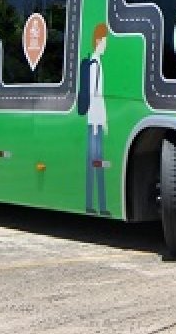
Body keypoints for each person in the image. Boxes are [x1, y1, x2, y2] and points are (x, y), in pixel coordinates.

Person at [78, 22, 110, 214]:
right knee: (96, 164)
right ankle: (96, 206)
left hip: (94, 121)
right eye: (105, 40)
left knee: (95, 165)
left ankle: (95, 205)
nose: (106, 44)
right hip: (95, 122)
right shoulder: (95, 65)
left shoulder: (94, 63)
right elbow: (96, 97)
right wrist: (102, 121)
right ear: (98, 40)